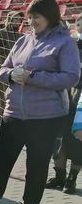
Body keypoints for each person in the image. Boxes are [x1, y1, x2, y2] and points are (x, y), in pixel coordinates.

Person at [0, 0, 80, 204]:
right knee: (1, 161)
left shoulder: (64, 43)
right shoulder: (23, 40)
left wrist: (33, 77)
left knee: (37, 164)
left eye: (36, 17)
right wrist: (12, 75)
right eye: (30, 17)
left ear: (50, 16)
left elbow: (70, 77)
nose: (31, 22)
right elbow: (4, 69)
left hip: (45, 117)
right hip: (13, 113)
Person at [45, 14, 82, 194]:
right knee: (58, 138)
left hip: (81, 100)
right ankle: (59, 176)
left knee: (78, 140)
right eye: (79, 24)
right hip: (64, 97)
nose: (81, 27)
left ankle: (72, 179)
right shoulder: (70, 45)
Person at [0, 11, 25, 126]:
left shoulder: (20, 36)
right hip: (1, 68)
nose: (17, 22)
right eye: (15, 19)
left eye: (19, 20)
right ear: (9, 20)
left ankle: (11, 119)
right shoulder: (0, 33)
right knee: (0, 95)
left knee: (14, 95)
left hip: (16, 70)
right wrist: (5, 51)